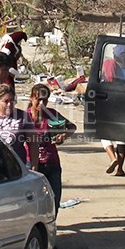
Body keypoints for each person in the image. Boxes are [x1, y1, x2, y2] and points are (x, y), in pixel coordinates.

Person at [27, 84, 76, 213]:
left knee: (54, 200)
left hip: (52, 163)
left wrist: (63, 136)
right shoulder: (24, 117)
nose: (41, 103)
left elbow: (71, 127)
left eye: (45, 100)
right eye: (38, 99)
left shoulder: (52, 114)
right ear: (31, 98)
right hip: (31, 166)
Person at [0, 83, 38, 169]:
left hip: (15, 168)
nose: (9, 104)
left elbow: (33, 143)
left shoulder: (23, 116)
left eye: (12, 101)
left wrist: (34, 166)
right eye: (6, 101)